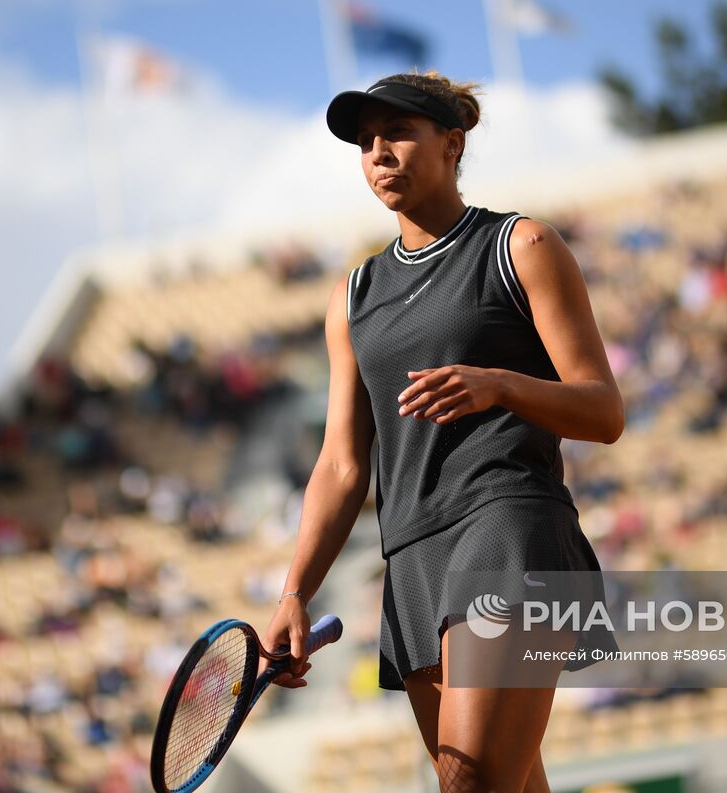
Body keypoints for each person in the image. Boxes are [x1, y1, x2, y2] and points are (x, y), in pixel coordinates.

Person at [260, 70, 625, 793]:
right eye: (366, 142)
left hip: (508, 526)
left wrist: (500, 383)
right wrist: (295, 589)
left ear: (452, 143)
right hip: (415, 561)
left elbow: (603, 410)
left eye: (396, 133)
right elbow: (340, 464)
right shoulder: (353, 297)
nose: (378, 153)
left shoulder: (521, 244)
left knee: (468, 785)